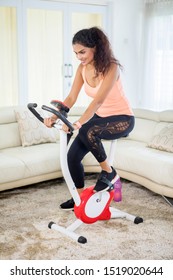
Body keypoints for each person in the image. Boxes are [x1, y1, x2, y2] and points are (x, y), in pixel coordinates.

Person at [44, 27, 135, 210]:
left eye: (82, 52)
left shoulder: (111, 66)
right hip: (101, 118)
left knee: (87, 129)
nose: (79, 57)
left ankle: (109, 173)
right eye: (76, 53)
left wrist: (80, 122)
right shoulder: (82, 68)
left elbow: (98, 101)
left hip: (122, 119)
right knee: (72, 157)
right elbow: (70, 98)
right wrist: (55, 116)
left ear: (96, 47)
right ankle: (79, 199)